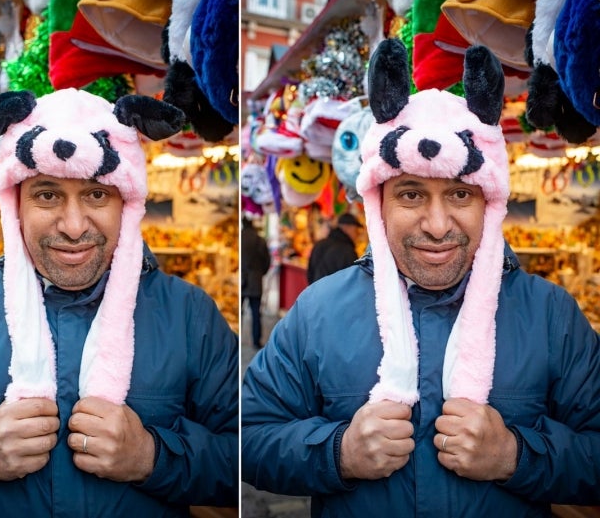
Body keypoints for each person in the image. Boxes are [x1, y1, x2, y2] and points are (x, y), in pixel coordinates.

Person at [242, 39, 600, 516]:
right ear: (379, 203)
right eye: (411, 195)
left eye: (459, 194)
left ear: (489, 204)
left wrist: (516, 455)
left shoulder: (552, 315)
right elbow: (247, 437)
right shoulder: (317, 310)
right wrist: (338, 452)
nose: (436, 224)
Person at [0, 89, 239, 516]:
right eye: (47, 195)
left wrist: (153, 457)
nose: (73, 227)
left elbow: (248, 454)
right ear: (15, 204)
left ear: (127, 203)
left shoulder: (189, 316)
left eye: (96, 194)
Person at [241, 216, 271, 348]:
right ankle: (256, 340)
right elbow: (267, 260)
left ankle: (237, 338)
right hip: (255, 280)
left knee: (239, 312)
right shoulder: (260, 240)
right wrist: (260, 273)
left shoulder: (240, 238)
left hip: (242, 279)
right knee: (255, 312)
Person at [306, 212, 361, 284]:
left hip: (316, 292)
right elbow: (353, 281)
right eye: (356, 230)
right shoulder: (347, 250)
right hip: (335, 294)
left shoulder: (319, 244)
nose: (357, 234)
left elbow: (310, 273)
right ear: (347, 228)